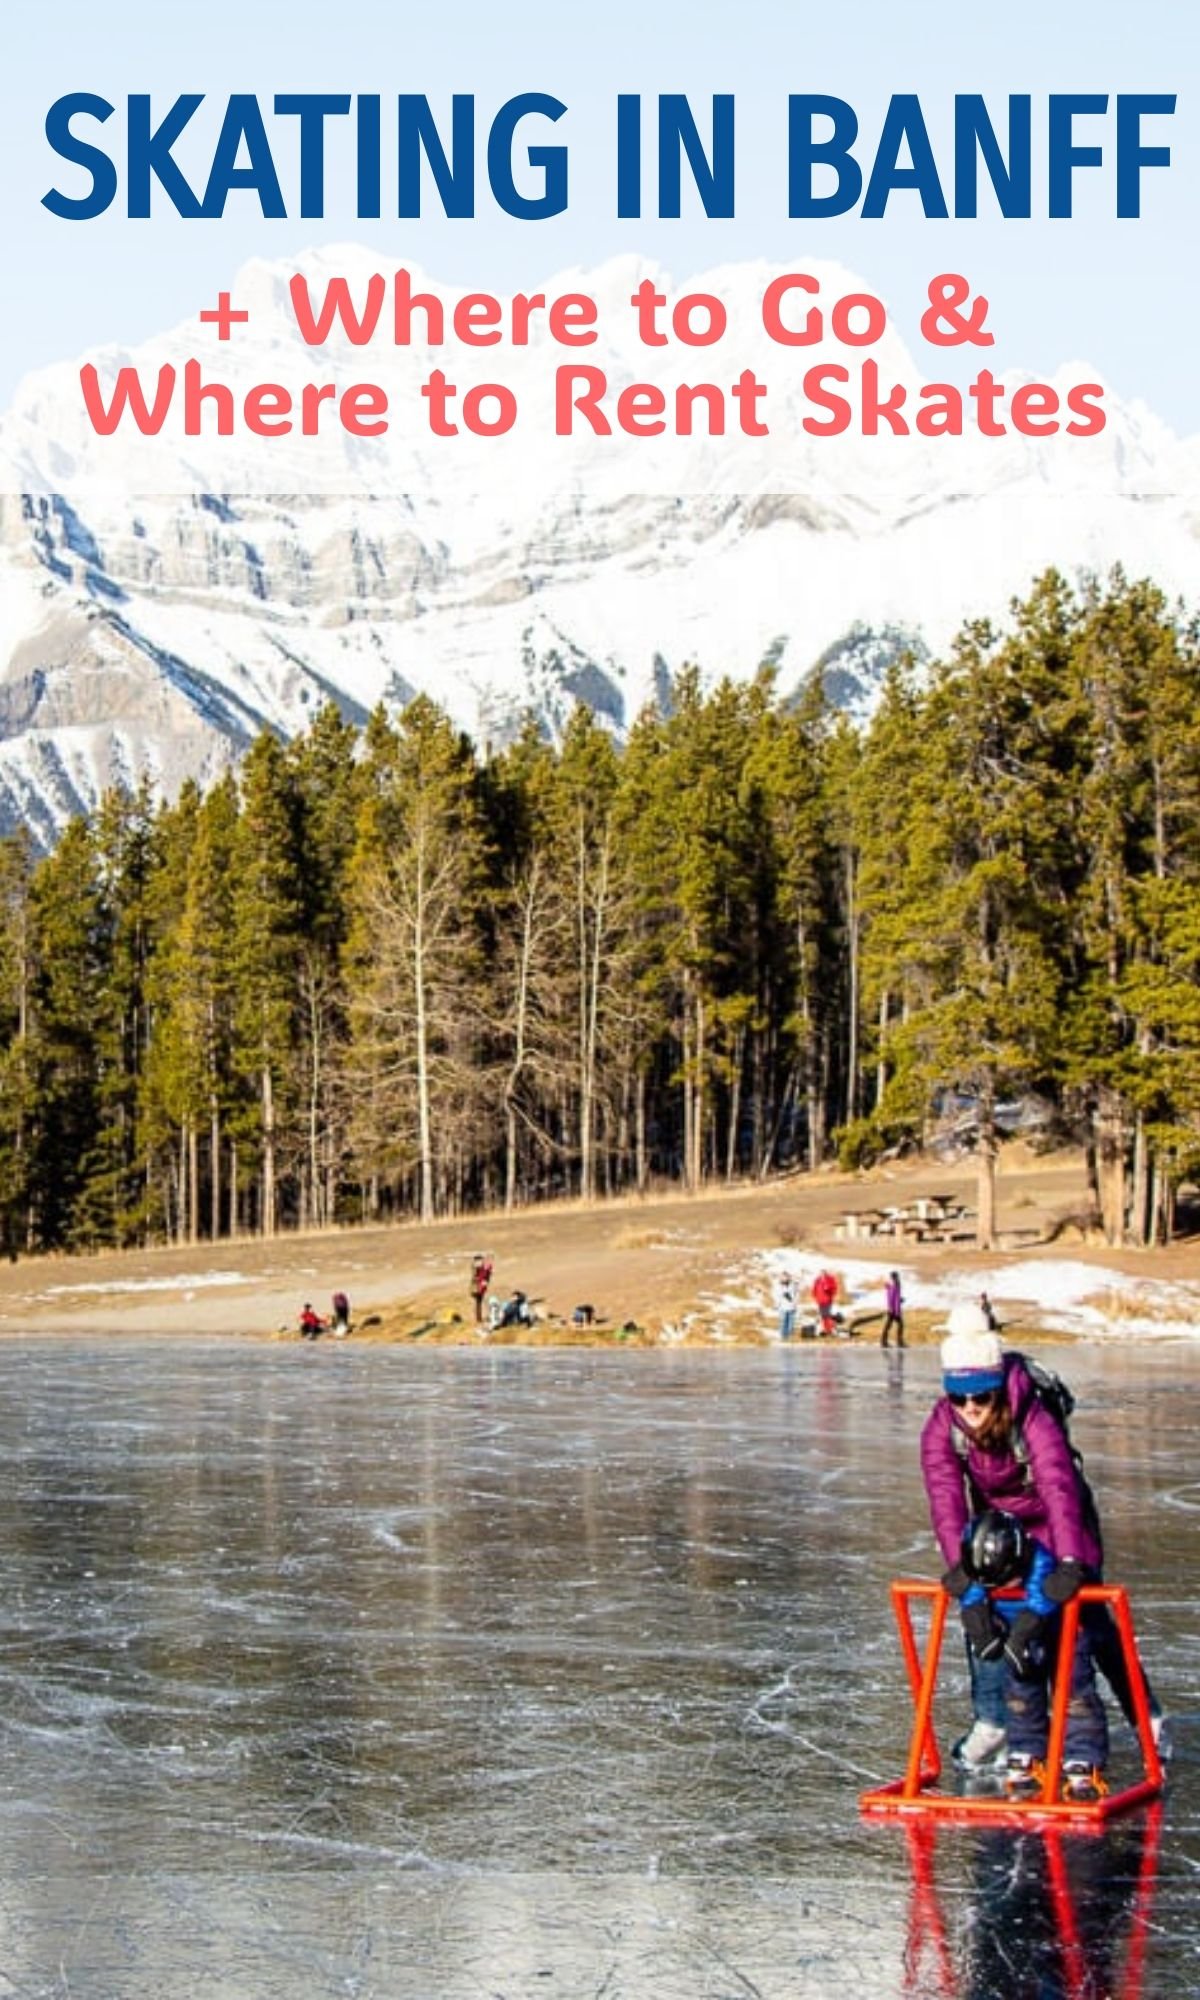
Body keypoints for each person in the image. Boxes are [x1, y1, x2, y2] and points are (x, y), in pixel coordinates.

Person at [920, 1305, 1110, 1800]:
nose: (970, 1409)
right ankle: (1002, 1727)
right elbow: (944, 1499)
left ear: (997, 1389)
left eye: (980, 1397)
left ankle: (1110, 1734)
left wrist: (1069, 1562)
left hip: (1055, 1527)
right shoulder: (944, 1426)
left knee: (1077, 1638)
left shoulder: (1033, 1419)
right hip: (999, 1538)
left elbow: (1058, 1487)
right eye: (957, 1398)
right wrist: (963, 1570)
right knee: (999, 1635)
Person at [812, 1268, 839, 1337]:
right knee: (822, 1315)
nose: (822, 1274)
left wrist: (829, 1289)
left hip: (827, 1300)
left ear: (826, 1273)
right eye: (821, 1273)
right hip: (820, 1300)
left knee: (827, 1315)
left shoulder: (830, 1279)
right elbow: (814, 1289)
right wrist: (815, 1296)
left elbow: (834, 1288)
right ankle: (825, 1330)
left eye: (823, 1273)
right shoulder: (817, 1280)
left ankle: (831, 1330)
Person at [881, 1270, 904, 1348]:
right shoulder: (894, 1286)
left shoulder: (894, 1286)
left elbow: (895, 1298)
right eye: (896, 1276)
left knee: (892, 1325)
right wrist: (891, 1308)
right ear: (894, 1277)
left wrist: (900, 1300)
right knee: (898, 1325)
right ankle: (898, 1342)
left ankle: (885, 1342)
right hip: (893, 1310)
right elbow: (891, 1298)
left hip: (894, 1309)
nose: (898, 1278)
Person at [470, 1253, 494, 1325]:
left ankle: (480, 1318)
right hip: (478, 1286)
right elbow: (477, 1276)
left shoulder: (482, 1266)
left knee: (479, 1302)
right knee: (479, 1302)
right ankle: (479, 1318)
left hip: (480, 1286)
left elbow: (487, 1275)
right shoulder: (477, 1266)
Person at [776, 1273, 798, 1343]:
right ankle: (783, 1336)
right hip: (783, 1307)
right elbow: (778, 1295)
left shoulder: (793, 1285)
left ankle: (790, 1336)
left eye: (787, 1277)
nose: (785, 1279)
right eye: (784, 1277)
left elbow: (796, 1295)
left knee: (791, 1323)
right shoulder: (779, 1286)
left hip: (791, 1306)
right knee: (783, 1322)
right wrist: (777, 1304)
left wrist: (795, 1304)